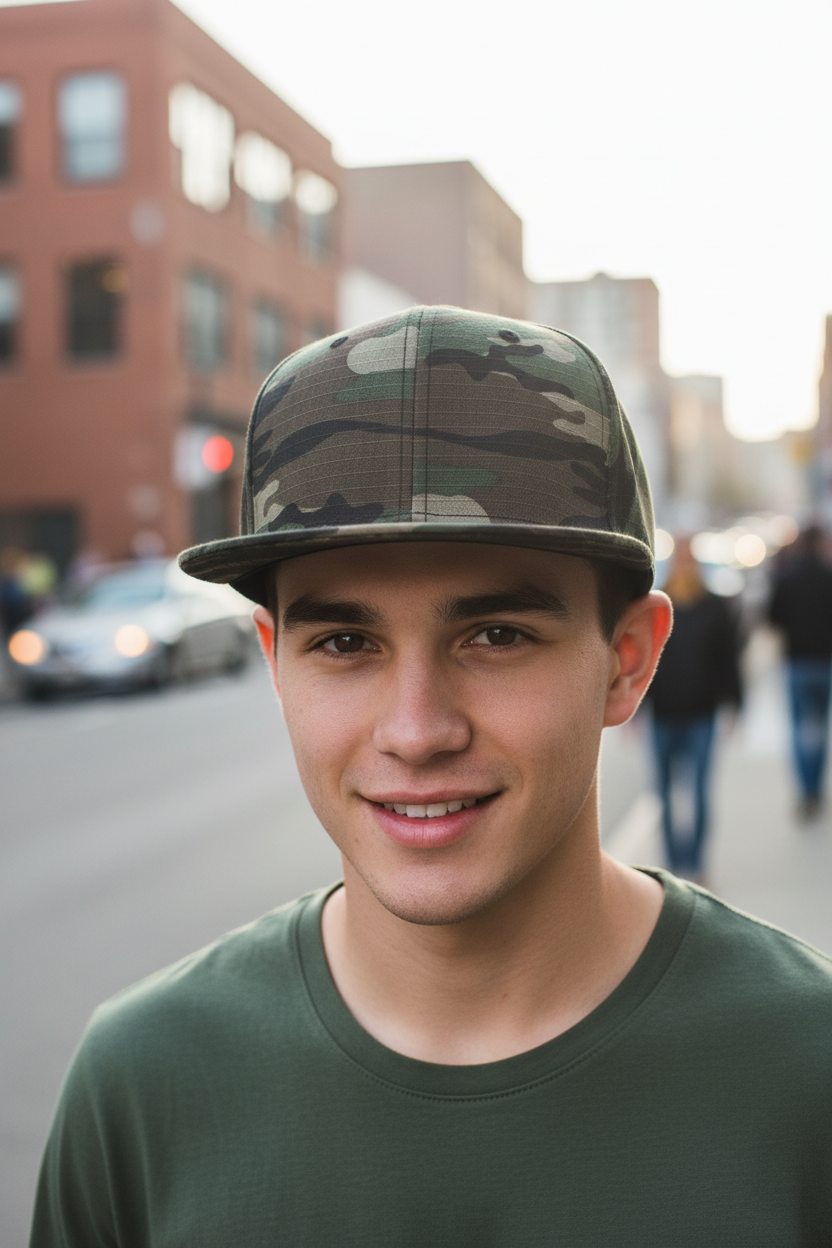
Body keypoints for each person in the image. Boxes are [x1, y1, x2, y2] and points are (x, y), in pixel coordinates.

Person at [31, 308, 832, 1246]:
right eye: (344, 641)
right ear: (276, 663)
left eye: (496, 636)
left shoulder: (805, 1073)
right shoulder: (141, 1084)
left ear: (626, 660)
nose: (416, 731)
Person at [645, 537, 742, 880]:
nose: (685, 566)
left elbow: (728, 659)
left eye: (690, 560)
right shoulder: (656, 606)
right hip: (663, 712)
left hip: (702, 711)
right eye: (681, 559)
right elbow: (643, 659)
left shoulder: (714, 607)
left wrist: (735, 704)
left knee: (699, 790)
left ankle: (696, 861)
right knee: (665, 792)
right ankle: (674, 860)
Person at [769, 524, 832, 819]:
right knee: (820, 727)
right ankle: (816, 789)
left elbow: (772, 616)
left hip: (796, 661)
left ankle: (805, 791)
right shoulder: (828, 575)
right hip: (825, 662)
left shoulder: (787, 575)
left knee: (797, 728)